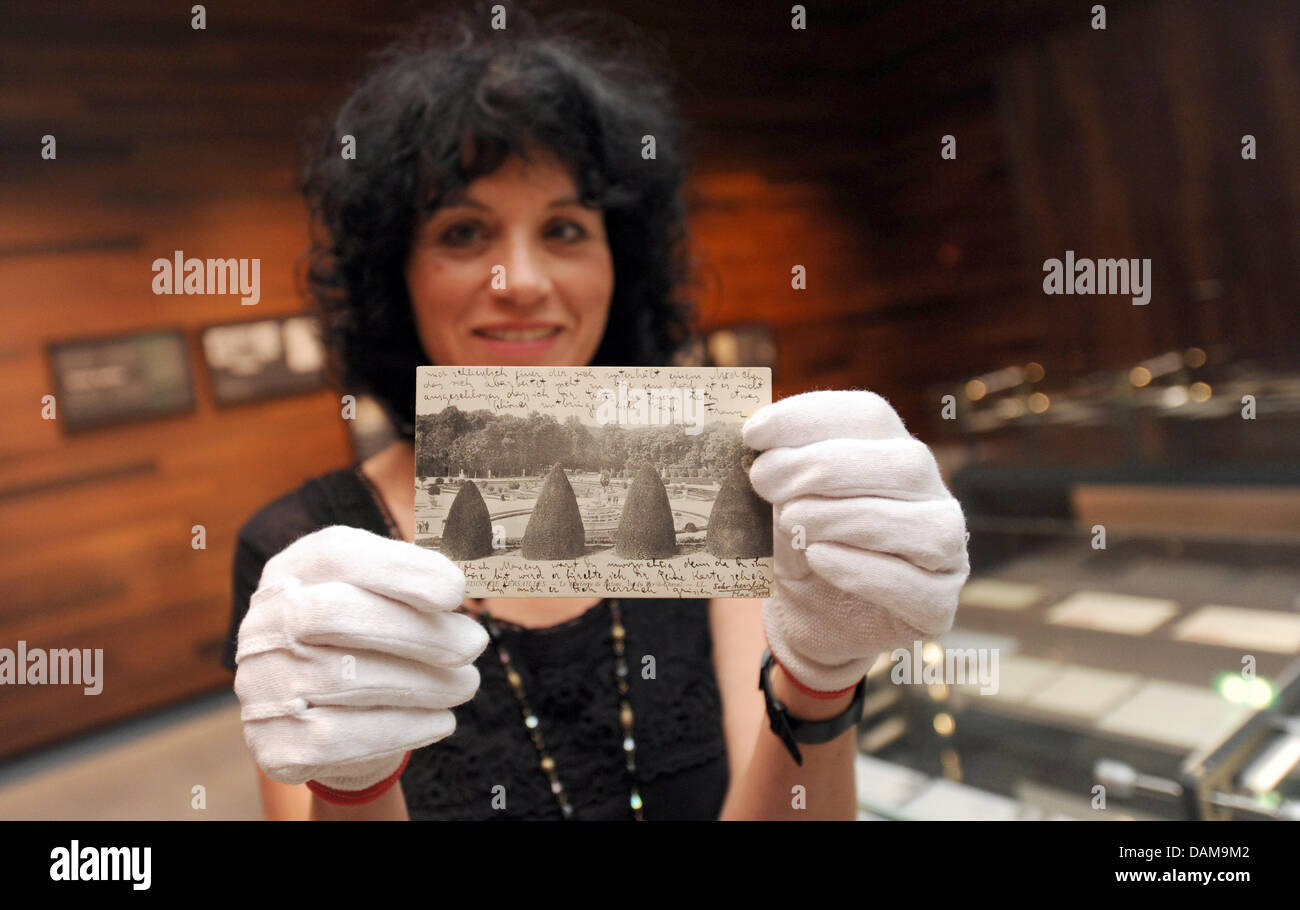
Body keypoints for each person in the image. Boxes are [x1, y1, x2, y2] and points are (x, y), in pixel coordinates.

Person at [221, 1, 970, 821]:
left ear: (623, 265)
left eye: (566, 228)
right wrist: (351, 778)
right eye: (465, 230)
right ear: (395, 276)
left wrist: (821, 681)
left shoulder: (699, 487)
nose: (521, 281)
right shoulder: (301, 551)